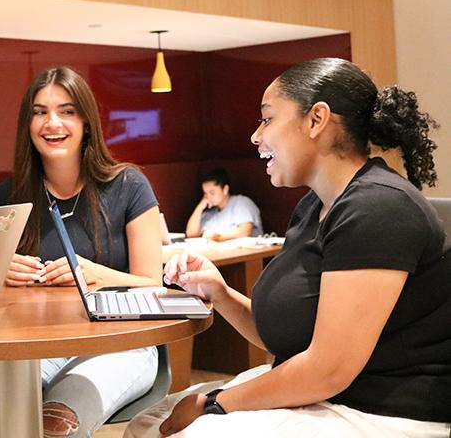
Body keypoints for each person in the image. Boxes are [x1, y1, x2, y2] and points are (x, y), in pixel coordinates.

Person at [126, 58, 450, 438]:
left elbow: (328, 370)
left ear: (316, 120)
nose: (255, 136)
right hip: (329, 396)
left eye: (267, 119)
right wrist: (221, 293)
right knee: (148, 423)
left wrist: (213, 403)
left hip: (381, 410)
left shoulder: (378, 207)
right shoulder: (314, 206)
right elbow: (288, 337)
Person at [0, 66, 165, 438]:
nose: (52, 122)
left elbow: (153, 284)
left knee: (57, 423)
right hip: (32, 339)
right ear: (27, 123)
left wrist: (96, 276)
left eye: (67, 111)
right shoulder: (6, 196)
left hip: (120, 342)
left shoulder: (129, 184)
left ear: (87, 121)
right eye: (40, 112)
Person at [185, 168, 262, 241]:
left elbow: (245, 231)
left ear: (225, 189)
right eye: (205, 193)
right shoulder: (211, 213)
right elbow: (191, 234)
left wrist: (218, 237)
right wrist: (200, 206)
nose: (208, 197)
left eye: (212, 193)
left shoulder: (241, 202)